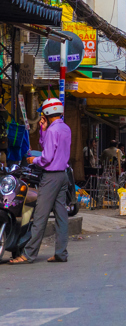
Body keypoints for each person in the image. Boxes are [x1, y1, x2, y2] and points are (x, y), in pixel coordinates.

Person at [9, 98, 71, 265]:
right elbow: (48, 147)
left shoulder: (53, 131)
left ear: (48, 112)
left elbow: (46, 157)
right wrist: (43, 129)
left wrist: (32, 161)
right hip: (63, 176)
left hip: (50, 177)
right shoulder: (65, 128)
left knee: (39, 217)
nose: (42, 115)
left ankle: (28, 255)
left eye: (43, 113)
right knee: (61, 217)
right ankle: (61, 253)